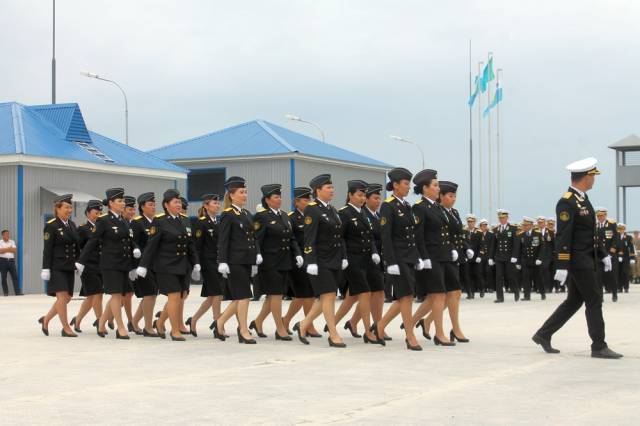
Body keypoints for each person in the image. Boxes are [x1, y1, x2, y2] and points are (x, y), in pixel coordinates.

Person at [533, 157, 622, 359]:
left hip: (588, 258)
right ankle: (598, 346)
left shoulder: (583, 199)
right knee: (595, 300)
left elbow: (590, 233)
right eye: (593, 176)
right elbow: (564, 235)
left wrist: (603, 254)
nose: (594, 180)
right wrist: (562, 264)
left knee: (574, 301)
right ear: (586, 177)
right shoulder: (567, 202)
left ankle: (543, 334)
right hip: (579, 261)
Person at [293, 174, 350, 348]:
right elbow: (309, 237)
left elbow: (339, 236)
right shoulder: (312, 209)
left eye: (332, 187)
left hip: (334, 259)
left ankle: (303, 324)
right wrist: (311, 261)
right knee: (329, 296)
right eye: (328, 187)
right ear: (318, 190)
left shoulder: (332, 209)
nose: (332, 190)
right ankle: (333, 334)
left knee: (325, 297)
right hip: (320, 260)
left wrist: (344, 256)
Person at [136, 189, 200, 341]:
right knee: (174, 296)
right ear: (166, 205)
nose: (179, 205)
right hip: (166, 265)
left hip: (183, 264)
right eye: (175, 202)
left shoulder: (185, 220)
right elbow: (151, 245)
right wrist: (143, 265)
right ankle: (175, 331)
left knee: (180, 296)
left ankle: (159, 322)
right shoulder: (160, 221)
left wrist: (196, 263)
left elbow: (190, 244)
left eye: (179, 202)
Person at [77, 188, 140, 340]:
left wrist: (135, 249)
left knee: (121, 295)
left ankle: (101, 322)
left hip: (124, 263)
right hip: (110, 264)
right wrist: (81, 261)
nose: (123, 203)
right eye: (120, 201)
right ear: (111, 203)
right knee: (116, 295)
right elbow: (92, 242)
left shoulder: (123, 220)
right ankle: (121, 327)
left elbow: (129, 240)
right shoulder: (103, 220)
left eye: (123, 201)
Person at [373, 167, 425, 350]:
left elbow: (412, 235)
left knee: (405, 296)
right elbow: (386, 236)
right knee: (406, 297)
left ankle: (380, 325)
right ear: (395, 185)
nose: (408, 187)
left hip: (409, 256)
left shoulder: (406, 206)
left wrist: (417, 257)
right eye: (405, 184)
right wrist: (390, 261)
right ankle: (410, 335)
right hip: (398, 258)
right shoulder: (388, 206)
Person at [330, 180, 382, 345]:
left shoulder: (364, 213)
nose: (362, 198)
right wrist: (343, 257)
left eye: (364, 196)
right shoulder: (344, 213)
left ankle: (333, 324)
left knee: (366, 293)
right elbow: (340, 238)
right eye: (359, 195)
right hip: (353, 260)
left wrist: (374, 252)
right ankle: (368, 331)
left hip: (368, 259)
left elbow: (369, 236)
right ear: (350, 195)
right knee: (364, 294)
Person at [419, 180, 470, 344]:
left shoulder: (453, 212)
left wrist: (465, 247)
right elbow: (439, 236)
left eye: (455, 196)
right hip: (439, 255)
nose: (453, 199)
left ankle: (449, 327)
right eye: (450, 196)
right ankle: (416, 323)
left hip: (451, 256)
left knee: (454, 293)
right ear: (441, 196)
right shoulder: (436, 210)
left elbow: (458, 234)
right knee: (438, 296)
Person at [249, 184, 301, 341]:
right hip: (269, 262)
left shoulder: (284, 215)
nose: (279, 199)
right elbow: (256, 238)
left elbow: (291, 238)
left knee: (273, 296)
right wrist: (257, 255)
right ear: (267, 200)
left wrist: (298, 254)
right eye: (276, 197)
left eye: (280, 197)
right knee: (276, 295)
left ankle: (258, 322)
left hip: (284, 261)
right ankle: (280, 328)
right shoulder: (262, 216)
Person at [212, 176, 260, 344]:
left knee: (240, 297)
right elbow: (223, 240)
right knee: (244, 296)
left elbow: (253, 237)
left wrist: (256, 255)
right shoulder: (228, 215)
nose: (245, 195)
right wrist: (222, 261)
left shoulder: (247, 214)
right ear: (232, 195)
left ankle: (219, 322)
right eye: (241, 192)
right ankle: (243, 330)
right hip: (234, 261)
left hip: (247, 260)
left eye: (245, 192)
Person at [282, 187, 322, 338]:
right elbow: (291, 240)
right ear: (297, 202)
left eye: (309, 199)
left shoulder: (312, 215)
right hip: (297, 261)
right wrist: (298, 255)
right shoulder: (291, 218)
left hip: (311, 260)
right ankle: (308, 325)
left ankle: (286, 320)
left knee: (304, 295)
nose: (308, 202)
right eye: (305, 200)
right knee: (306, 294)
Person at [38, 194, 80, 337]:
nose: (69, 210)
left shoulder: (72, 225)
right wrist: (45, 268)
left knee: (67, 298)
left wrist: (79, 262)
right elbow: (47, 249)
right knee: (62, 297)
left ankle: (46, 320)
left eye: (70, 207)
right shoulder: (51, 226)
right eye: (66, 207)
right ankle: (66, 328)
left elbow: (76, 246)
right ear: (58, 208)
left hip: (69, 267)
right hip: (56, 267)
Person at [185, 194, 223, 337]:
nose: (217, 206)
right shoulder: (201, 223)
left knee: (212, 297)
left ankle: (193, 320)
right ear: (206, 206)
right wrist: (196, 264)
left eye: (218, 203)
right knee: (217, 293)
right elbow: (197, 246)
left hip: (218, 262)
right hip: (208, 263)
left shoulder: (218, 222)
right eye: (214, 203)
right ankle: (218, 325)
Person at [69, 200, 104, 333]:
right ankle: (100, 321)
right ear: (88, 213)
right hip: (88, 266)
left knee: (92, 297)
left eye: (100, 213)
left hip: (101, 265)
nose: (98, 215)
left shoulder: (102, 227)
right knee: (97, 294)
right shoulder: (83, 229)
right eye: (96, 212)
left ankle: (77, 320)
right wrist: (78, 263)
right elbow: (76, 247)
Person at [130, 192, 160, 337]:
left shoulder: (156, 221)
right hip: (142, 265)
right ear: (142, 207)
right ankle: (148, 327)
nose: (153, 207)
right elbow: (131, 242)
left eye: (154, 204)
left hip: (155, 264)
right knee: (150, 294)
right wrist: (133, 267)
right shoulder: (137, 222)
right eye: (150, 205)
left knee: (151, 295)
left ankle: (134, 322)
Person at [491, 209, 521, 302]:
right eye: (500, 218)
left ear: (507, 218)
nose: (501, 219)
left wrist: (515, 256)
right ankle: (500, 297)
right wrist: (491, 257)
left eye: (503, 218)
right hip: (499, 256)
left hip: (509, 256)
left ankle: (516, 291)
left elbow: (516, 244)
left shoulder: (513, 228)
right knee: (498, 277)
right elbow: (493, 244)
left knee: (510, 276)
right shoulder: (496, 229)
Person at [595, 207, 620, 302]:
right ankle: (600, 296)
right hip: (599, 256)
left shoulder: (612, 225)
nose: (600, 218)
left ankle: (614, 294)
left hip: (610, 255)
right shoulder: (595, 226)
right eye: (598, 216)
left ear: (605, 215)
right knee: (598, 277)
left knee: (612, 276)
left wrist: (611, 253)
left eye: (601, 216)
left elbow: (616, 239)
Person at [518, 217, 546, 301]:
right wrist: (518, 262)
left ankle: (542, 293)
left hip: (535, 260)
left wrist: (540, 258)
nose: (525, 226)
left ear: (531, 225)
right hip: (525, 260)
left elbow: (542, 247)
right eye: (524, 225)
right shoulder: (521, 235)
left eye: (526, 225)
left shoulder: (538, 234)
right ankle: (527, 296)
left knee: (538, 278)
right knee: (526, 278)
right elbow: (519, 249)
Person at [471, 218, 494, 296]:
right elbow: (476, 246)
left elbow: (492, 246)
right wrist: (478, 256)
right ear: (480, 226)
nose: (484, 227)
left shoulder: (491, 234)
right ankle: (482, 288)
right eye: (482, 225)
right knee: (480, 272)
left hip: (488, 256)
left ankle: (490, 287)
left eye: (485, 225)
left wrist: (491, 257)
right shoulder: (477, 234)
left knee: (488, 272)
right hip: (480, 256)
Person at [0, 229, 21, 296]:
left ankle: (17, 292)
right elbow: (0, 251)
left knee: (15, 277)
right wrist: (9, 249)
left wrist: (5, 249)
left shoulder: (12, 241)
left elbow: (14, 250)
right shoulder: (0, 242)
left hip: (11, 261)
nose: (8, 235)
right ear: (3, 235)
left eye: (8, 234)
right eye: (6, 234)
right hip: (3, 261)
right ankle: (6, 293)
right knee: (4, 277)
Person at [616, 223, 635, 293]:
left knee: (625, 272)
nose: (620, 230)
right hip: (617, 257)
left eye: (622, 229)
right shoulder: (615, 236)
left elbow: (631, 247)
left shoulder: (629, 237)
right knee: (618, 272)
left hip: (626, 257)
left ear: (624, 229)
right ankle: (619, 287)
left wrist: (632, 258)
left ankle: (626, 287)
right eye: (619, 229)